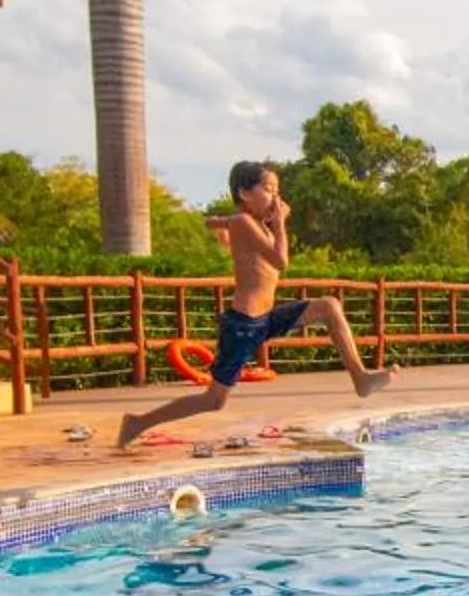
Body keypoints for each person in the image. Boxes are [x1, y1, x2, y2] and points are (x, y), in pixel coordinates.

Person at [117, 161, 390, 449]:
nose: (276, 197)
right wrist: (279, 223)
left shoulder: (247, 223)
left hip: (266, 318)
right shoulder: (245, 222)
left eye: (278, 190)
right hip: (243, 325)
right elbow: (280, 261)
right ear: (244, 193)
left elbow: (219, 223)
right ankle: (138, 422)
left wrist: (218, 223)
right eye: (268, 189)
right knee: (214, 400)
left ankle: (360, 377)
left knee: (330, 305)